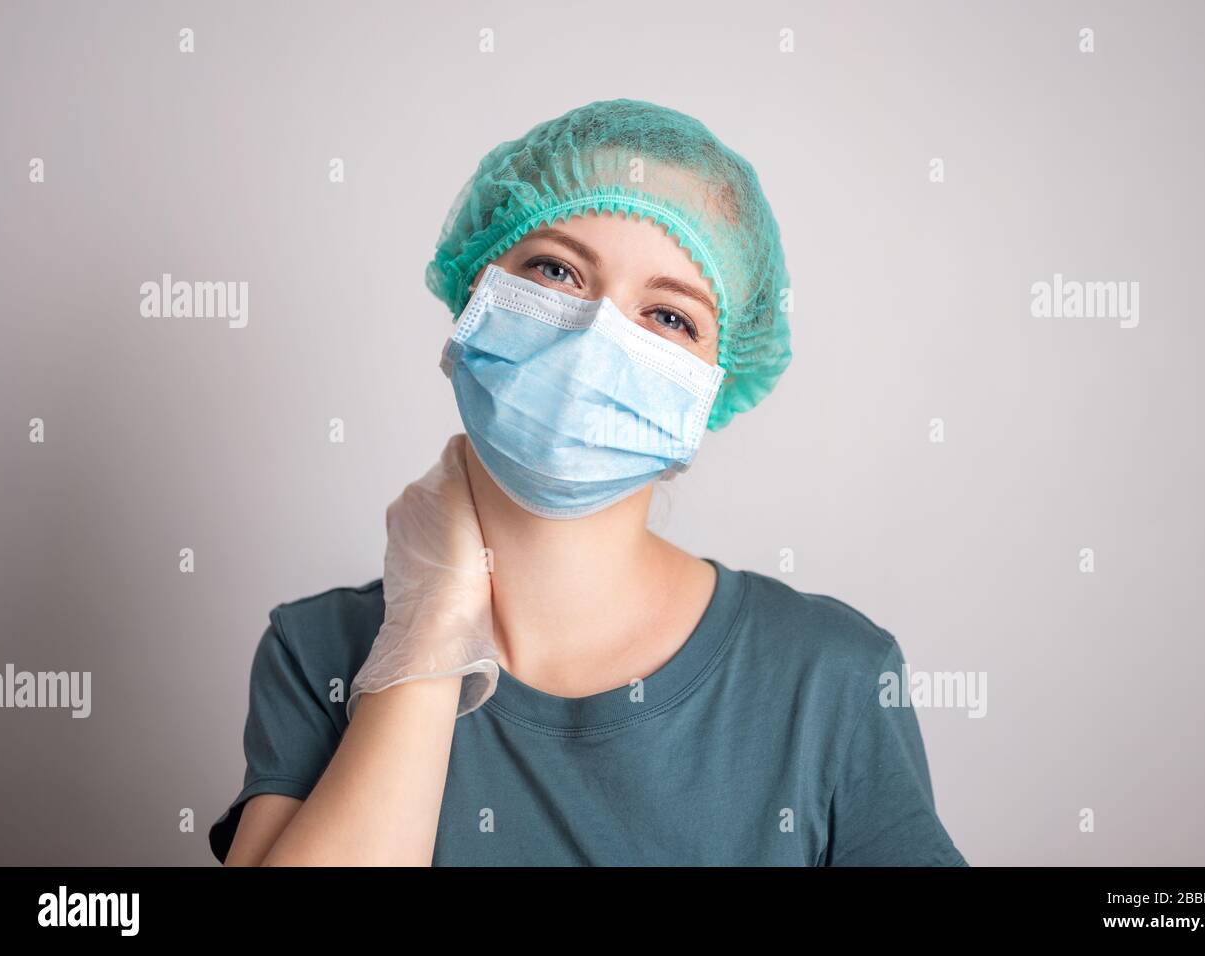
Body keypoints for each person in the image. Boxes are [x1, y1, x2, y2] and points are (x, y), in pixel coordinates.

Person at [208, 99, 968, 866]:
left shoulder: (827, 678)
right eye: (556, 269)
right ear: (477, 284)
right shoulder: (320, 655)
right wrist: (429, 629)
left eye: (669, 317)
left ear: (713, 386)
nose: (598, 336)